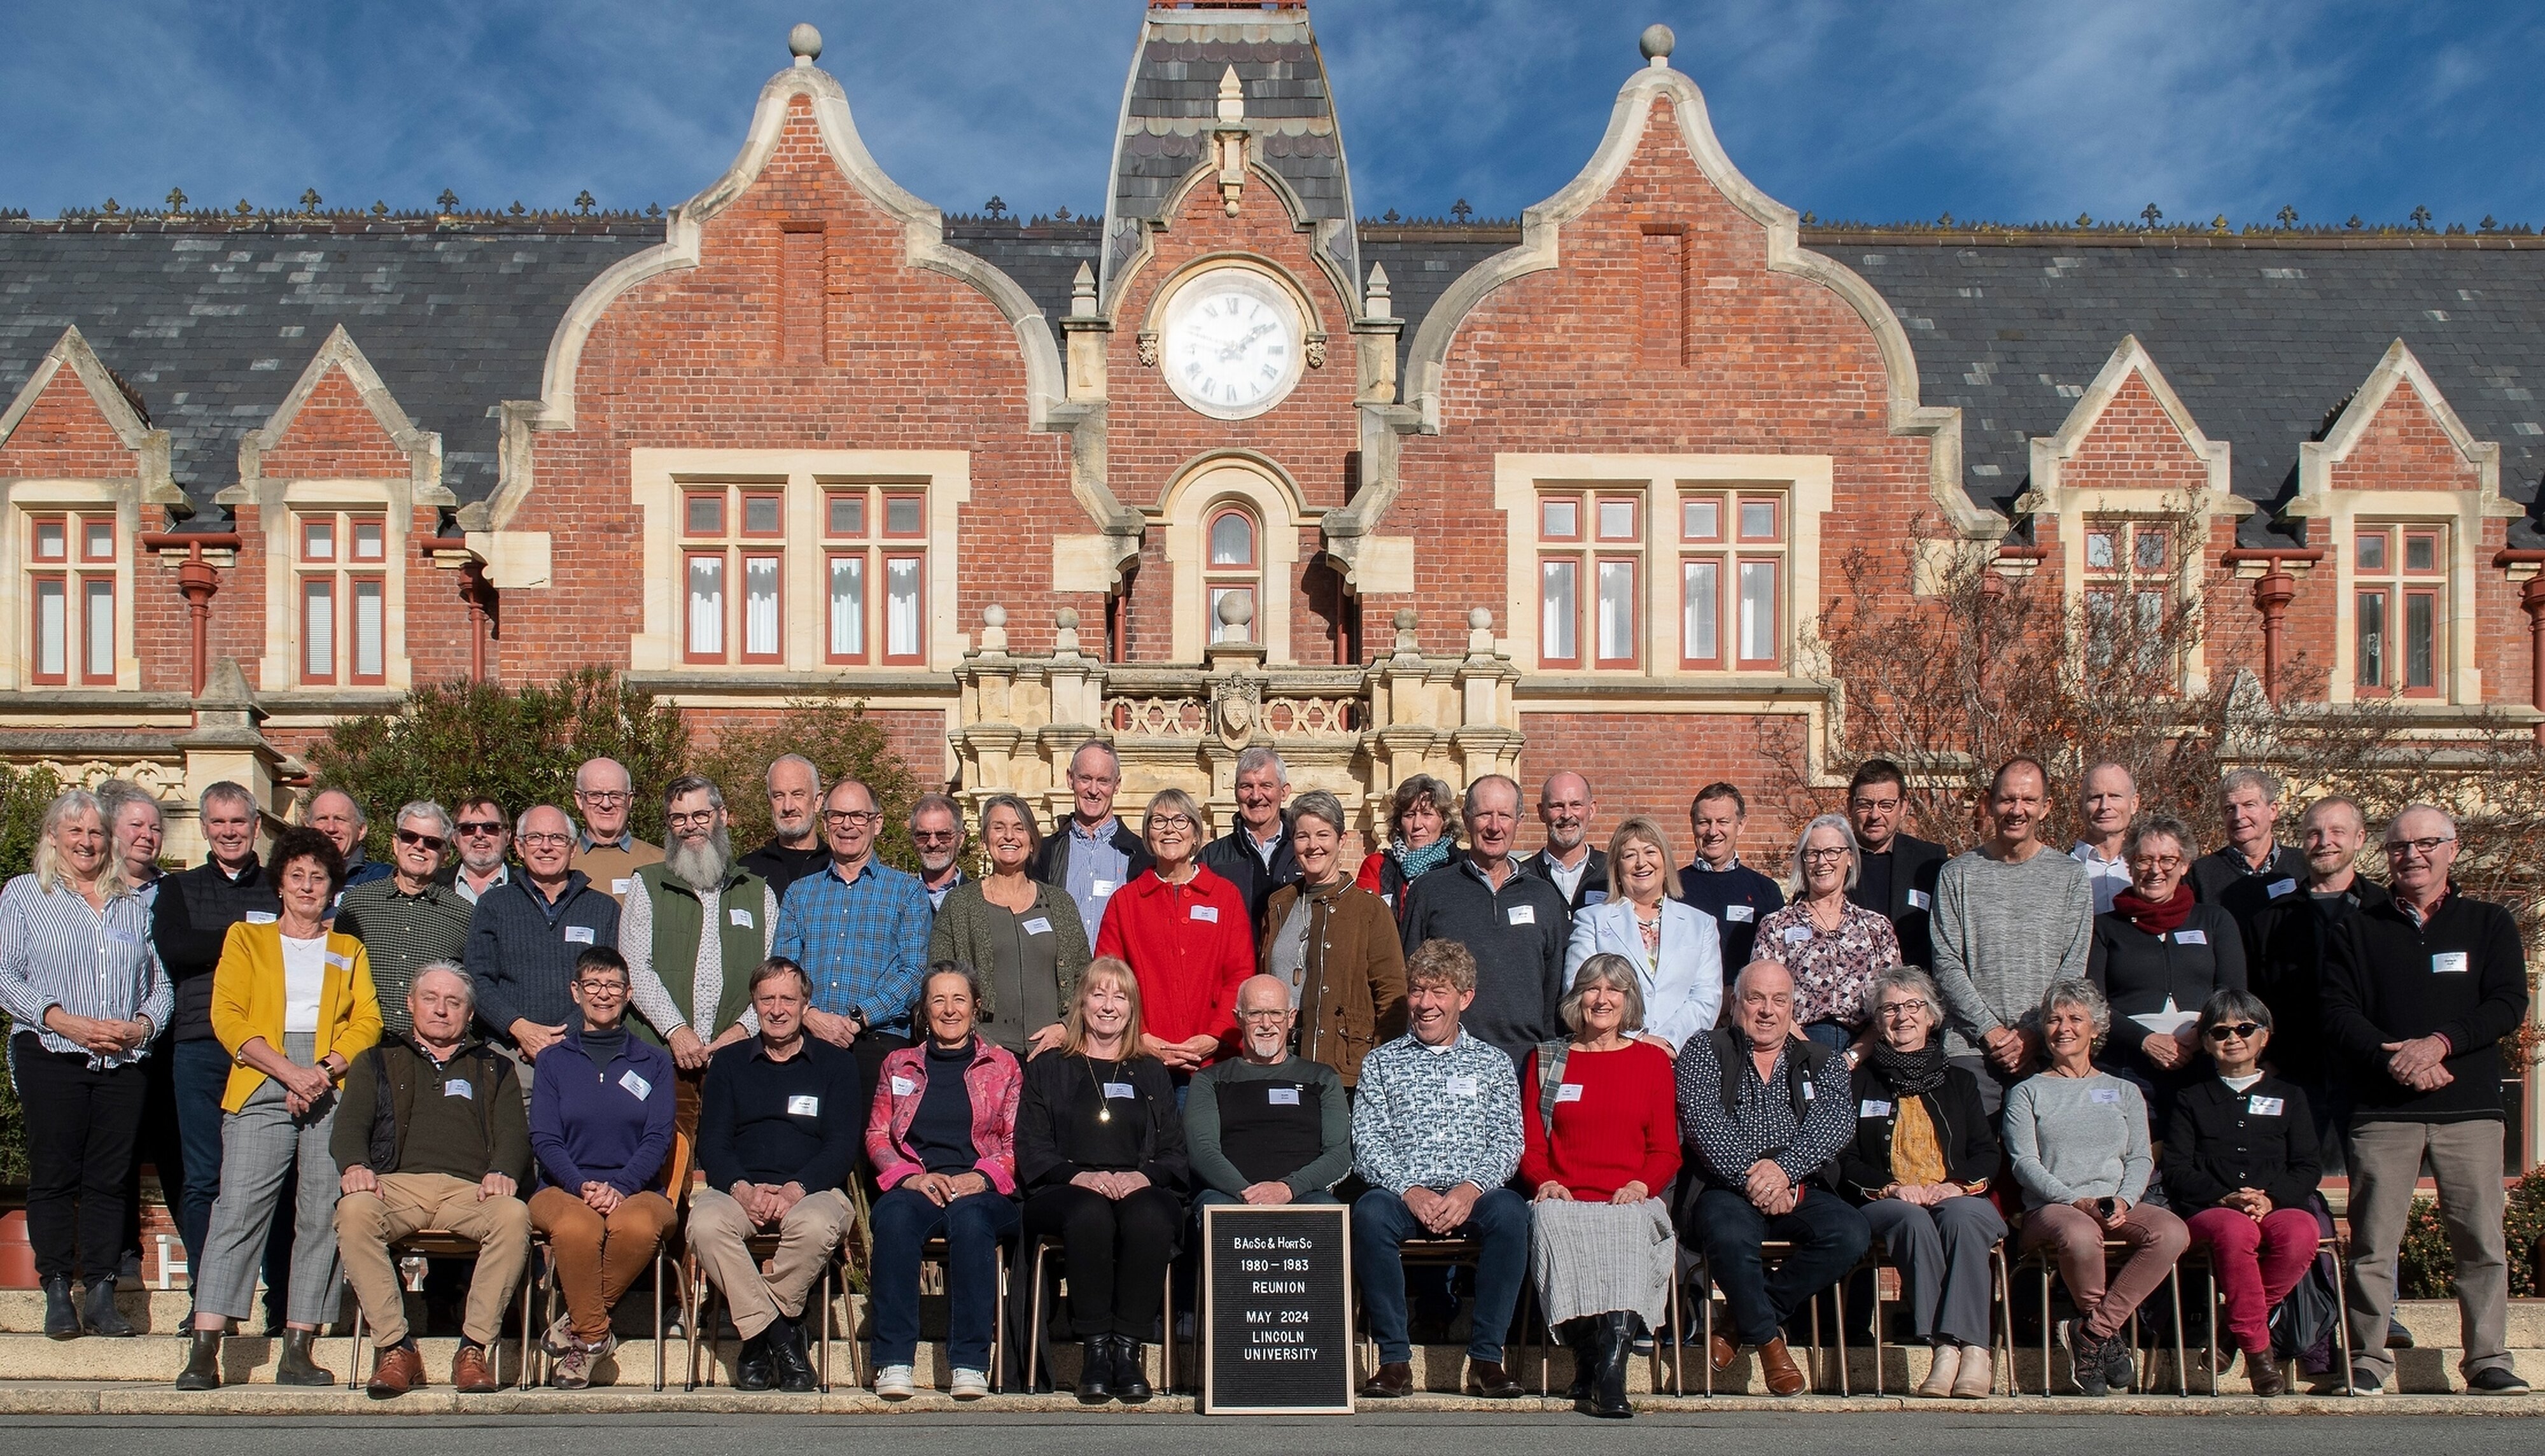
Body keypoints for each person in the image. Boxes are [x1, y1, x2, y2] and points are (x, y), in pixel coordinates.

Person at [2322, 804, 2532, 1397]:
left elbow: (2507, 1004)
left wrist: (2440, 1045)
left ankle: (2487, 1360)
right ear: (2383, 855)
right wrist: (2398, 1060)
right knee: (2370, 1242)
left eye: (2426, 843)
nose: (2411, 855)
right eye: (2398, 847)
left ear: (2453, 849)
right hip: (2382, 1111)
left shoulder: (2489, 923)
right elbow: (2337, 1013)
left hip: (2467, 1109)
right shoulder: (2356, 928)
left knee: (2481, 1242)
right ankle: (2365, 1360)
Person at [176, 826, 382, 1392]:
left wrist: (321, 1070)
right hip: (261, 1075)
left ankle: (299, 1346)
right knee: (238, 1208)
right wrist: (289, 1071)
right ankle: (205, 1346)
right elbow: (228, 1016)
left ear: (332, 886)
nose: (308, 886)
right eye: (298, 876)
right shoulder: (247, 939)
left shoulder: (348, 948)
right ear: (281, 884)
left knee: (321, 1214)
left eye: (319, 877)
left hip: (329, 1081)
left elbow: (368, 1020)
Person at [0, 788, 171, 1340]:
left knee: (110, 1178)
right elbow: (5, 976)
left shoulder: (133, 901)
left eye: (96, 831)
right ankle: (56, 1287)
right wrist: (63, 1020)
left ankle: (100, 1292)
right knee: (54, 1172)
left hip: (122, 1059)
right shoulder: (25, 895)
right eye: (74, 831)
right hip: (52, 1052)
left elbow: (159, 984)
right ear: (53, 837)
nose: (86, 841)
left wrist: (142, 1026)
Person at [331, 963, 535, 1397]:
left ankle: (474, 1347)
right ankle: (395, 1347)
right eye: (430, 999)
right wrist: (355, 1166)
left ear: (469, 1013)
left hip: (470, 1190)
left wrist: (502, 1171)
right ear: (410, 1004)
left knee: (514, 1216)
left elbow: (514, 1134)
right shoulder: (376, 1061)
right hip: (396, 1186)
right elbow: (349, 1127)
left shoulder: (494, 1068)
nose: (441, 1010)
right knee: (353, 1211)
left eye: (453, 1002)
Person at [1676, 960, 1867, 1398]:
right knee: (1726, 1235)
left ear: (1792, 1007)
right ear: (1735, 1002)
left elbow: (1834, 1125)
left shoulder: (1821, 1060)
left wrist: (1784, 1171)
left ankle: (1740, 1321)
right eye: (1756, 998)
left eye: (1778, 1000)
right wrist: (1754, 1180)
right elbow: (1704, 1124)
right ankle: (1768, 1344)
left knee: (1850, 1232)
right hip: (1725, 1187)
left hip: (1800, 1184)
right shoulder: (1705, 1049)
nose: (1767, 1010)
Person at [1350, 939, 1530, 1401]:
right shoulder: (1381, 1063)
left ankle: (1487, 1359)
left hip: (1472, 1196)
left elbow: (1508, 1141)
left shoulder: (1491, 1064)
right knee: (1368, 1213)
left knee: (1511, 1214)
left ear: (1464, 998)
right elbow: (1368, 1142)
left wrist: (1470, 1189)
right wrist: (1409, 1191)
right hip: (1404, 1194)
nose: (1425, 1004)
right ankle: (1394, 1360)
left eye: (1439, 992)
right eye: (1416, 991)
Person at [2002, 978, 2190, 1397]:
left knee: (2171, 1231)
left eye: (2074, 1018)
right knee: (2079, 1233)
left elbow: (2141, 1157)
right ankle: (2102, 1336)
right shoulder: (2026, 1093)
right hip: (2053, 1208)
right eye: (2053, 1019)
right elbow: (2024, 1164)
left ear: (2095, 1028)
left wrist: (2124, 1198)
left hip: (2115, 1201)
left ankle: (2091, 1334)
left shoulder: (2124, 1091)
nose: (2062, 1028)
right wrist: (2076, 1200)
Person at [1015, 956, 1187, 1404]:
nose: (1108, 1006)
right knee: (1089, 1214)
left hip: (1139, 1184)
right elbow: (1030, 1147)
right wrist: (1079, 1176)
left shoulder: (1151, 1070)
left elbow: (1173, 1152)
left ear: (1132, 1009)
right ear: (1080, 1002)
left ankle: (1126, 1351)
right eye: (1099, 993)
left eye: (1120, 996)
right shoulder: (1049, 1066)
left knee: (1151, 1218)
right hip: (1063, 1186)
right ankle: (1094, 1351)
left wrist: (1141, 1176)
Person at [1520, 954, 1681, 1419]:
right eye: (1593, 988)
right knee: (1550, 1221)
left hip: (1626, 1195)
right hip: (1565, 1194)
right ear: (1578, 997)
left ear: (1629, 1000)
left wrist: (1640, 1184)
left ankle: (1611, 1372)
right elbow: (1530, 1142)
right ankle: (1586, 1355)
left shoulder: (1651, 1062)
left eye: (1614, 990)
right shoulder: (1549, 1058)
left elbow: (1667, 1150)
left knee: (1632, 1228)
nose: (1602, 999)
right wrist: (1544, 1181)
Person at [691, 957, 860, 1394]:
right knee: (705, 1225)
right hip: (738, 1189)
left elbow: (842, 1145)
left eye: (788, 998)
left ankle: (755, 1338)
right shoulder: (727, 1065)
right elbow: (712, 1142)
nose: (778, 1009)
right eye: (767, 999)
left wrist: (796, 1188)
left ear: (806, 1004)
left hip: (812, 1188)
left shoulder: (837, 1065)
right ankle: (783, 1336)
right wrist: (742, 1189)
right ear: (754, 1004)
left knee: (817, 1224)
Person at [150, 781, 285, 1322]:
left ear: (256, 827)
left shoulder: (279, 885)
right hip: (201, 1046)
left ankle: (278, 1301)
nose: (229, 832)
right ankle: (208, 1303)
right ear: (204, 827)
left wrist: (220, 941)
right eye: (218, 823)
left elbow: (293, 944)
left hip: (266, 1048)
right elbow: (176, 948)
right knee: (205, 1176)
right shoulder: (177, 890)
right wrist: (247, 939)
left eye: (239, 822)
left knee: (276, 1174)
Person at [1834, 967, 2002, 1399]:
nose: (1902, 1017)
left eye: (1912, 1007)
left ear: (1931, 1017)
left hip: (1952, 1194)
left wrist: (1956, 1186)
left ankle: (1975, 1352)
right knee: (1912, 1222)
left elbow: (1986, 1152)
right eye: (1890, 1008)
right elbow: (1844, 1158)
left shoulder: (1960, 1081)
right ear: (1877, 1021)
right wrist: (1890, 1187)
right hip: (1888, 1199)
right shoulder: (1858, 1082)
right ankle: (1944, 1348)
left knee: (1964, 1218)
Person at [864, 962, 1024, 1401]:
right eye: (939, 999)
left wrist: (982, 1176)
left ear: (976, 1007)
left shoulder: (1004, 1065)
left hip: (980, 1189)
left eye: (959, 999)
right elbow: (877, 1134)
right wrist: (911, 1179)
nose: (949, 1010)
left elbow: (1016, 1142)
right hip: (920, 1183)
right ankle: (894, 1360)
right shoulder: (899, 1063)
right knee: (893, 1219)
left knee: (972, 1224)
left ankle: (970, 1363)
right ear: (924, 1010)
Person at [528, 946, 678, 1389]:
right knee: (578, 1229)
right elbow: (544, 1138)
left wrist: (621, 1187)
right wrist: (580, 1185)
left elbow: (658, 1137)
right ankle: (593, 1338)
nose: (603, 994)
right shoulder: (554, 1061)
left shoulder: (654, 1062)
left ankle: (574, 1327)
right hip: (562, 1187)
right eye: (592, 985)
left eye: (613, 985)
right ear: (576, 992)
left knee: (637, 1228)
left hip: (637, 1189)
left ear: (629, 994)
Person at [2161, 989, 2320, 1398]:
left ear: (2264, 1037)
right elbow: (2177, 1169)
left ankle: (2232, 1330)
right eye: (2220, 1031)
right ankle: (2259, 1358)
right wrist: (2225, 1197)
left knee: (2302, 1232)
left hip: (2276, 1203)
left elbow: (2307, 1166)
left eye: (2244, 1028)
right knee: (2237, 1233)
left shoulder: (2291, 1097)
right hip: (2212, 1209)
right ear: (2207, 1042)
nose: (2233, 1038)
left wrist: (2271, 1199)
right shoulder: (2189, 1099)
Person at [624, 776, 776, 1191]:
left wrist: (739, 1033)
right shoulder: (648, 883)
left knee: (734, 1171)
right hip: (663, 1057)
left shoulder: (757, 893)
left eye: (700, 815)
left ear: (722, 817)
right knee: (668, 1172)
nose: (690, 826)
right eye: (678, 818)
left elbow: (772, 982)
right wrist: (677, 1032)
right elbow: (635, 968)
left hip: (736, 1058)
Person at [1931, 757, 2093, 1110]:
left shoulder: (2070, 877)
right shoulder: (1957, 874)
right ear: (1990, 804)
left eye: (2029, 800)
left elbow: (2073, 965)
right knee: (1972, 1162)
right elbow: (1946, 964)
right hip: (1970, 1050)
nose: (2017, 810)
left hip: (2047, 1046)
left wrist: (2034, 1033)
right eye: (2007, 799)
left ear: (2046, 807)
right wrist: (1991, 1032)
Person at [776, 778, 936, 1129]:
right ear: (825, 822)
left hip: (876, 1042)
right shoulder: (799, 894)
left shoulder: (907, 891)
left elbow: (913, 971)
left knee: (873, 1150)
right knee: (802, 1139)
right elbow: (783, 971)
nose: (847, 825)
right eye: (837, 816)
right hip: (808, 1039)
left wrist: (857, 1018)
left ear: (876, 823)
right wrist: (811, 1014)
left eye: (858, 816)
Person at [2241, 795, 2385, 1173]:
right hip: (2293, 1077)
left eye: (2337, 831)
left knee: (2374, 1189)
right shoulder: (2271, 920)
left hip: (2371, 1078)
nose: (2325, 841)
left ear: (2360, 838)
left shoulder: (2386, 913)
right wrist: (2267, 1062)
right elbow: (2254, 996)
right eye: (2314, 833)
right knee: (2291, 1185)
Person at [2085, 812, 2247, 1123]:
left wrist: (2198, 1037)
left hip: (2205, 1057)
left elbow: (2233, 995)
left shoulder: (2215, 921)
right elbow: (2095, 1004)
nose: (2155, 870)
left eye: (2168, 860)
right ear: (2129, 865)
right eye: (2144, 860)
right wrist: (2145, 1040)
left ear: (2185, 865)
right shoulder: (2104, 928)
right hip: (2127, 1061)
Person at [1398, 775, 1570, 1067]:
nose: (1494, 826)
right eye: (1484, 815)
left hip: (1526, 1062)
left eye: (1504, 815)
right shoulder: (1430, 891)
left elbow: (1554, 988)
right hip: (1447, 1057)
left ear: (1519, 820)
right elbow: (1407, 978)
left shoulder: (1544, 896)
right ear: (1466, 819)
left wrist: (1548, 1057)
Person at [1093, 788, 1252, 1078]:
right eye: (1159, 821)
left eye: (1180, 820)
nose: (1170, 829)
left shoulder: (1225, 896)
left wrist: (1215, 1037)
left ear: (1195, 833)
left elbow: (1240, 975)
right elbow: (1108, 979)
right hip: (1143, 1059)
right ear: (1148, 834)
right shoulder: (1126, 902)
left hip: (1214, 1063)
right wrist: (1139, 1036)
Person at [1256, 789, 1405, 1086]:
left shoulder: (1369, 910)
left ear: (1341, 840)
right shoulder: (1279, 905)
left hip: (1343, 1068)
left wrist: (1378, 1067)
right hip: (1279, 1061)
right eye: (1303, 837)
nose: (1313, 846)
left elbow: (1392, 996)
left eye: (1323, 835)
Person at [466, 804, 621, 1089]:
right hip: (510, 1054)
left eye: (557, 838)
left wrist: (561, 1039)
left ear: (573, 848)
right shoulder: (494, 905)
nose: (546, 847)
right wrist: (519, 1028)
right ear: (519, 847)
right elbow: (477, 979)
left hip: (582, 1052)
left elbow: (611, 985)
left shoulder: (603, 909)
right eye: (536, 838)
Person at [931, 794, 1089, 1059]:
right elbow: (940, 978)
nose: (1009, 836)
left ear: (1032, 842)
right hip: (984, 1055)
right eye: (999, 828)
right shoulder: (959, 904)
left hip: (1056, 1053)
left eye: (1019, 828)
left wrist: (1066, 1028)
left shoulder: (1061, 903)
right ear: (984, 840)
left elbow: (1084, 977)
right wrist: (983, 1042)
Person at [1185, 974, 1351, 1207]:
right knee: (1216, 1211)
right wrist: (1249, 1195)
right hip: (1230, 1196)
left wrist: (1288, 1189)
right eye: (1255, 1014)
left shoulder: (1323, 1078)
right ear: (1238, 1019)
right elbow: (1202, 1152)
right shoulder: (1209, 1080)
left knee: (1325, 1210)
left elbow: (1339, 1155)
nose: (1266, 1024)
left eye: (1276, 1013)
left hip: (1303, 1195)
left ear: (1291, 1018)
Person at [1563, 816, 1721, 1053]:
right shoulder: (1591, 920)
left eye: (1650, 852)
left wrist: (1668, 1041)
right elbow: (1579, 986)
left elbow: (1706, 996)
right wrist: (1634, 1039)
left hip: (1679, 1055)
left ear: (1665, 861)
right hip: (1613, 1052)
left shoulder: (1701, 924)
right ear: (1617, 868)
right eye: (1629, 856)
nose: (1641, 863)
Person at [1753, 813, 1901, 1058]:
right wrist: (1813, 1054)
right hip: (1797, 1049)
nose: (1822, 862)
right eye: (1813, 854)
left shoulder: (1877, 927)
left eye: (1833, 852)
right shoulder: (1776, 926)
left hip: (1867, 1051)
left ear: (1850, 858)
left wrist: (1855, 1057)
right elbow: (1763, 999)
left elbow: (1893, 1001)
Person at [334, 801, 474, 1042]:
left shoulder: (464, 914)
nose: (419, 847)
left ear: (445, 856)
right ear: (395, 844)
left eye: (432, 842)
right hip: (364, 1047)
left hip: (431, 1051)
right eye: (410, 837)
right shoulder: (356, 903)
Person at [1031, 740, 1152, 953]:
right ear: (1070, 779)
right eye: (1085, 779)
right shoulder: (1044, 854)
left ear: (1117, 785)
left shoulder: (1142, 856)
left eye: (1103, 781)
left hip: (1117, 982)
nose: (1093, 790)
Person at [1844, 759, 1947, 970]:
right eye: (1865, 804)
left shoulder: (1929, 861)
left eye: (1886, 805)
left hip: (1912, 995)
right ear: (1850, 806)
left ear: (1903, 807)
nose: (1875, 815)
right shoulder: (1830, 860)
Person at [1676, 783, 1785, 970]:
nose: (1712, 832)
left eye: (1723, 822)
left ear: (1741, 825)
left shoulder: (1765, 891)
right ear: (1692, 824)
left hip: (1746, 998)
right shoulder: (1671, 887)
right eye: (1704, 822)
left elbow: (1779, 958)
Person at [1196, 745, 1301, 931]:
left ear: (1284, 792)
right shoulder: (1212, 859)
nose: (1256, 796)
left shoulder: (1304, 851)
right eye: (1247, 786)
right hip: (1235, 960)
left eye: (1266, 786)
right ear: (1236, 792)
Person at [2192, 769, 2308, 918]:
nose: (2239, 816)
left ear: (2273, 811)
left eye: (2249, 805)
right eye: (2230, 809)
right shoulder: (2201, 875)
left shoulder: (2304, 865)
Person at [1355, 773, 1458, 922]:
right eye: (1409, 815)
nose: (1417, 825)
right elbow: (1364, 923)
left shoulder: (1458, 865)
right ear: (1399, 823)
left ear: (1445, 821)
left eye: (1427, 814)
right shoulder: (1378, 866)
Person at [570, 757, 663, 902]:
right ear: (579, 800)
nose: (606, 804)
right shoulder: (563, 862)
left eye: (616, 795)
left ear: (629, 800)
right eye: (595, 795)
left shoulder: (660, 862)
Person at [740, 754, 829, 901]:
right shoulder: (748, 871)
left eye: (797, 795)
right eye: (779, 796)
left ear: (817, 801)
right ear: (770, 802)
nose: (788, 807)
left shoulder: (836, 867)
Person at [1518, 771, 1608, 912]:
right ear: (1541, 812)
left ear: (1591, 810)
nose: (1567, 815)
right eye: (1557, 806)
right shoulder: (1522, 877)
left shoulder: (1612, 872)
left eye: (1576, 805)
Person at [2072, 763, 2141, 915]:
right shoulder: (2062, 871)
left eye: (2115, 796)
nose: (2105, 806)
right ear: (2080, 807)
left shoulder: (2148, 870)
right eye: (2095, 797)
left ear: (2134, 804)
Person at [308, 788, 393, 890]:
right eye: (322, 819)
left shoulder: (380, 879)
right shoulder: (289, 879)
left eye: (340, 819)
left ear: (361, 831)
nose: (331, 828)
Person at [447, 797, 512, 904]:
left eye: (490, 827)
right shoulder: (434, 884)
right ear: (455, 838)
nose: (479, 835)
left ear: (507, 836)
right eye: (468, 828)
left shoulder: (529, 886)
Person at [911, 794, 969, 913]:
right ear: (913, 840)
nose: (933, 843)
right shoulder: (900, 897)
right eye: (923, 836)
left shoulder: (981, 898)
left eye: (943, 835)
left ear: (961, 839)